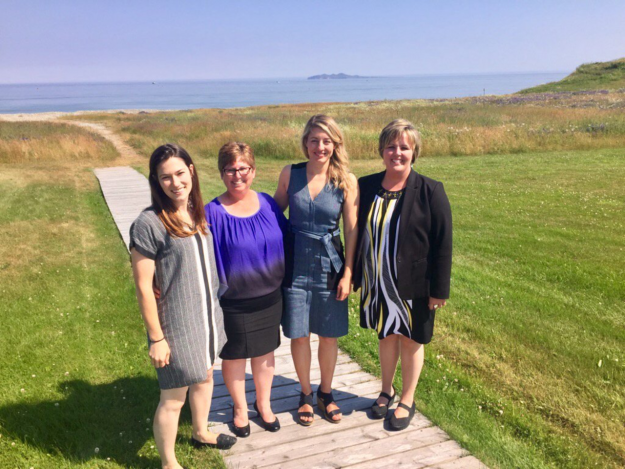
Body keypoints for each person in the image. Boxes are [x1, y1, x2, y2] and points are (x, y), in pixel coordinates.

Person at [129, 143, 236, 469]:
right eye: (166, 177)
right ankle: (169, 462)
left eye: (180, 173)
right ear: (156, 181)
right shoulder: (148, 224)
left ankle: (201, 432)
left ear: (191, 170)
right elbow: (144, 287)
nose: (175, 183)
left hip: (206, 317)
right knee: (173, 399)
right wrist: (157, 338)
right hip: (175, 325)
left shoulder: (195, 210)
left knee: (205, 378)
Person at [353, 119, 452, 431]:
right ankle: (386, 390)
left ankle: (407, 398)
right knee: (386, 336)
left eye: (404, 147)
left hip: (414, 284)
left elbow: (443, 243)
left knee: (410, 340)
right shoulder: (366, 186)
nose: (397, 152)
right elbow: (355, 232)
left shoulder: (430, 190)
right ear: (381, 150)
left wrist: (440, 290)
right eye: (391, 146)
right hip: (378, 281)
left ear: (415, 152)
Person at [274, 114, 359, 425]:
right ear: (305, 142)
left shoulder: (346, 181)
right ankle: (305, 394)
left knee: (329, 335)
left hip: (329, 266)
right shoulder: (290, 174)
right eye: (314, 140)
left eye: (326, 141)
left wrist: (349, 273)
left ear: (335, 144)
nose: (319, 147)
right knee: (299, 334)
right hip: (294, 265)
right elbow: (273, 216)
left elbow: (351, 231)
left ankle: (326, 393)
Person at [205, 142, 286, 437]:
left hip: (270, 297)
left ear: (253, 171)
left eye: (243, 169)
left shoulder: (268, 203)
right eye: (230, 169)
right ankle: (240, 409)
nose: (237, 175)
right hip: (233, 301)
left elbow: (286, 238)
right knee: (235, 355)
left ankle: (263, 404)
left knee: (265, 353)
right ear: (221, 173)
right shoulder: (211, 212)